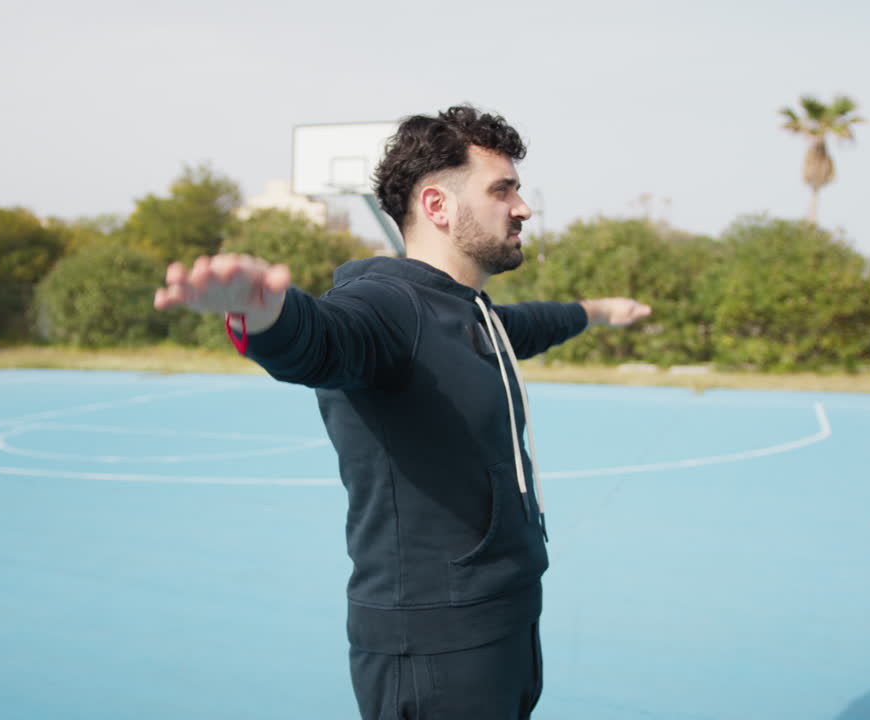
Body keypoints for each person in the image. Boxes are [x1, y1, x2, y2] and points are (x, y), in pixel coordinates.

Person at [154, 105, 651, 719]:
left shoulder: (472, 314)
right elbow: (325, 339)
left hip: (505, 628)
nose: (522, 208)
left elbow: (533, 322)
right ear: (438, 206)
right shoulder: (385, 306)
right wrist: (264, 317)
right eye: (503, 190)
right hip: (436, 652)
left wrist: (601, 309)